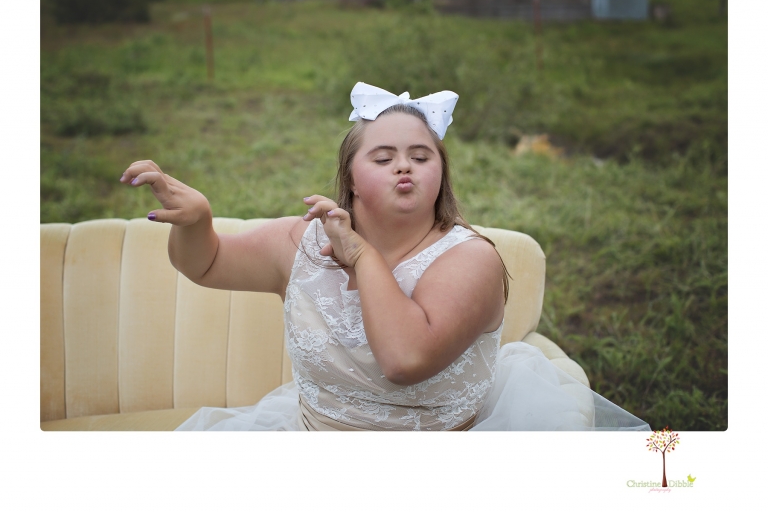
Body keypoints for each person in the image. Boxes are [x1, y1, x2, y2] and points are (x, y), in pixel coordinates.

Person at [120, 82, 650, 431]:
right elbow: (206, 264)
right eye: (384, 156)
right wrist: (198, 223)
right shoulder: (299, 242)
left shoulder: (470, 261)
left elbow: (405, 360)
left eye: (421, 156)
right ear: (351, 175)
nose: (406, 167)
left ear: (439, 172)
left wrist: (360, 255)